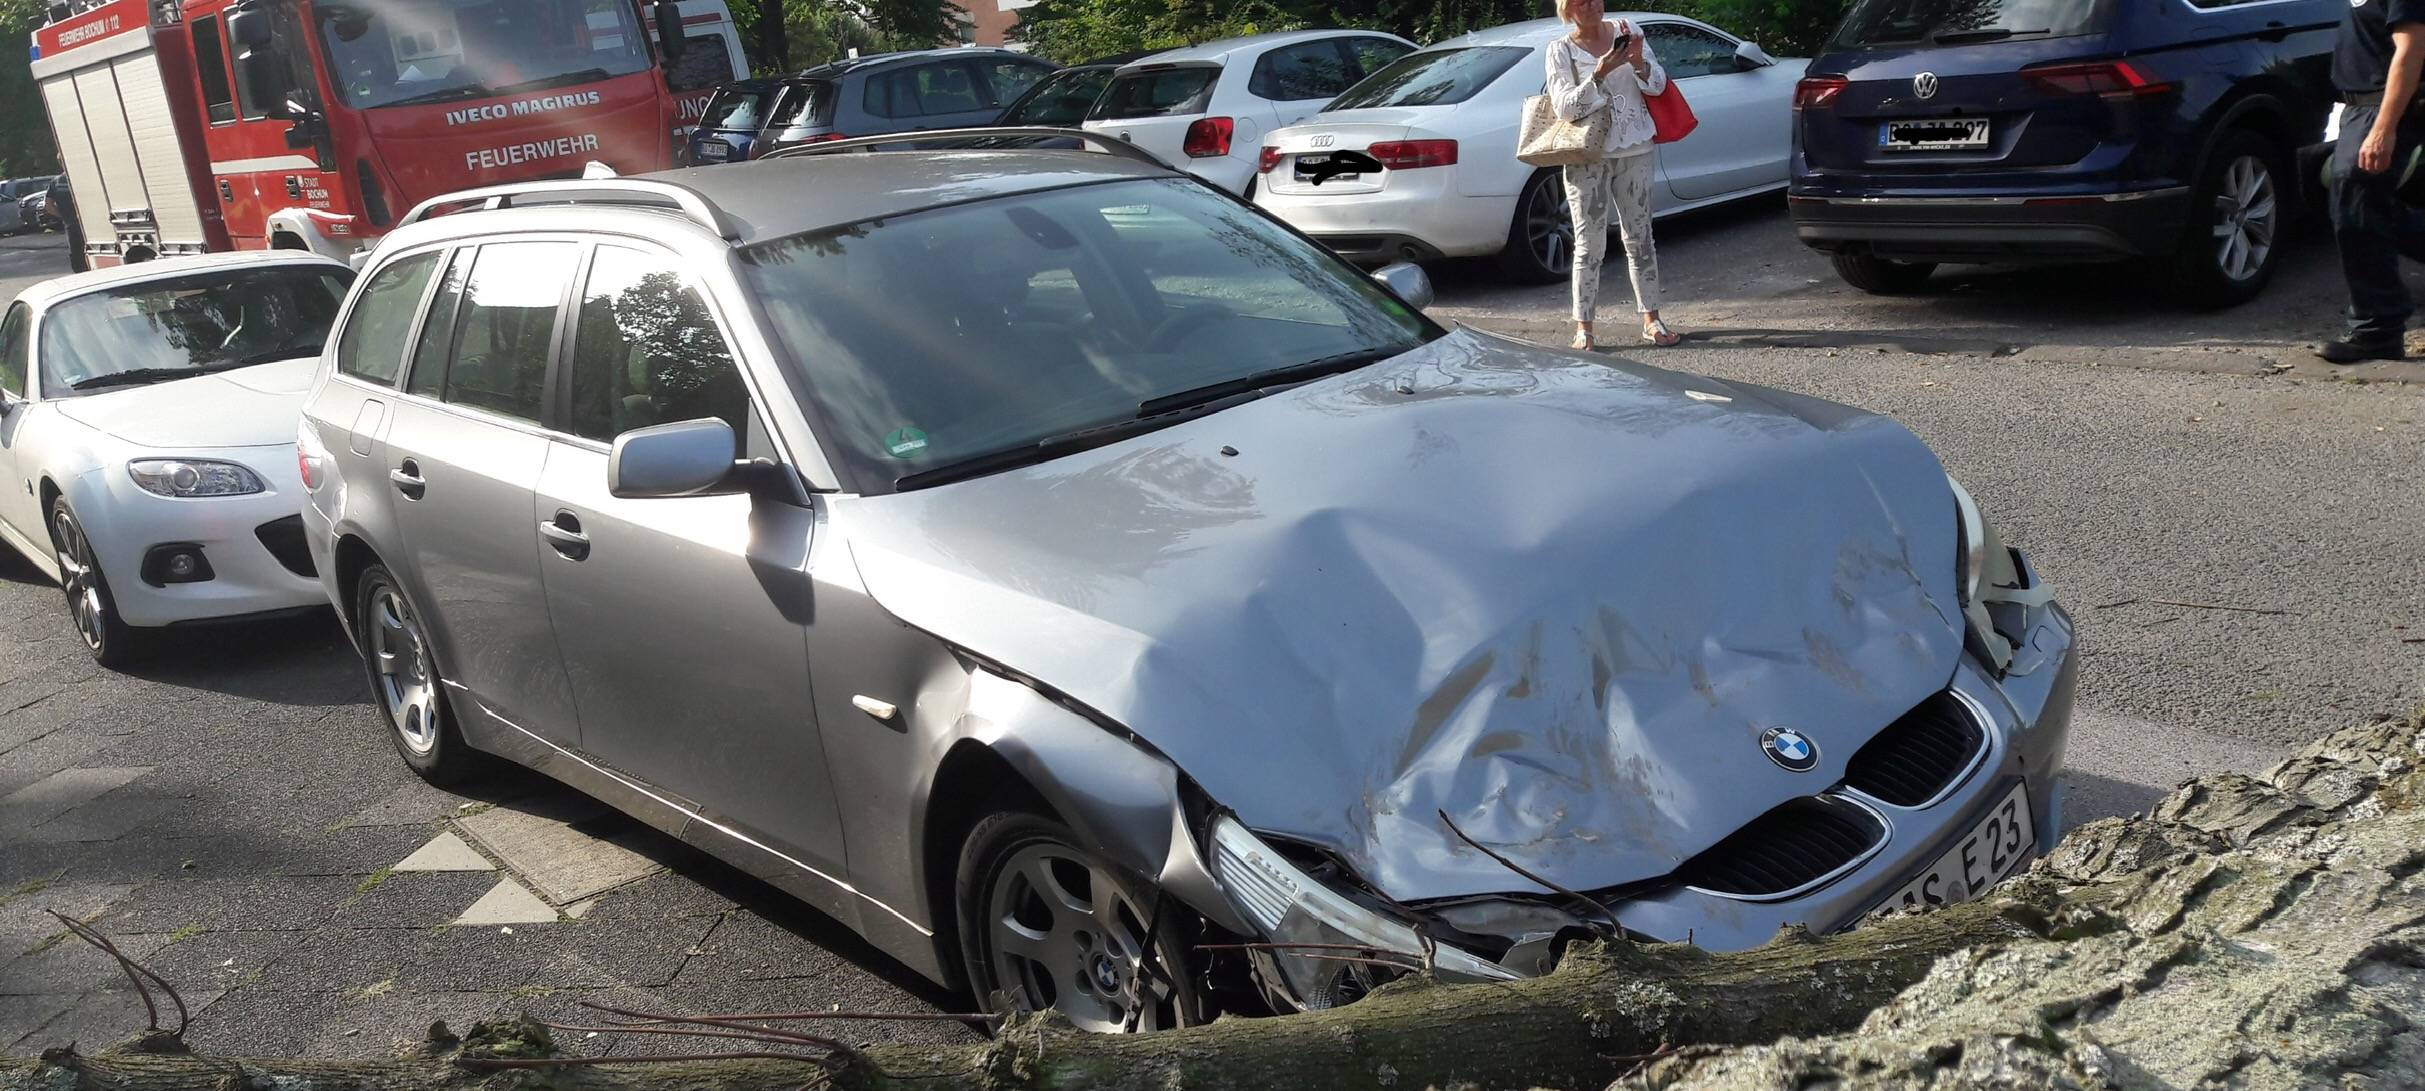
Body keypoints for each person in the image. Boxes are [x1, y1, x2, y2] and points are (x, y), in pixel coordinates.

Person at [1543, 0, 1676, 350]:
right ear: (1567, 9)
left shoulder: (1628, 31)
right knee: (1589, 244)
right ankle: (1584, 328)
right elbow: (1566, 108)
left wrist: (1637, 61)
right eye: (1580, 2)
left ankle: (1652, 319)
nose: (1590, 6)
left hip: (1636, 148)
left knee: (1640, 238)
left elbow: (1658, 86)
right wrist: (1598, 75)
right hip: (1588, 155)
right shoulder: (1560, 50)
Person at [2321, 0, 2425, 362]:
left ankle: (2378, 330)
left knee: (2357, 203)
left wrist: (2383, 129)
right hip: (2358, 108)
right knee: (2366, 210)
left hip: (2381, 109)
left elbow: (2411, 48)